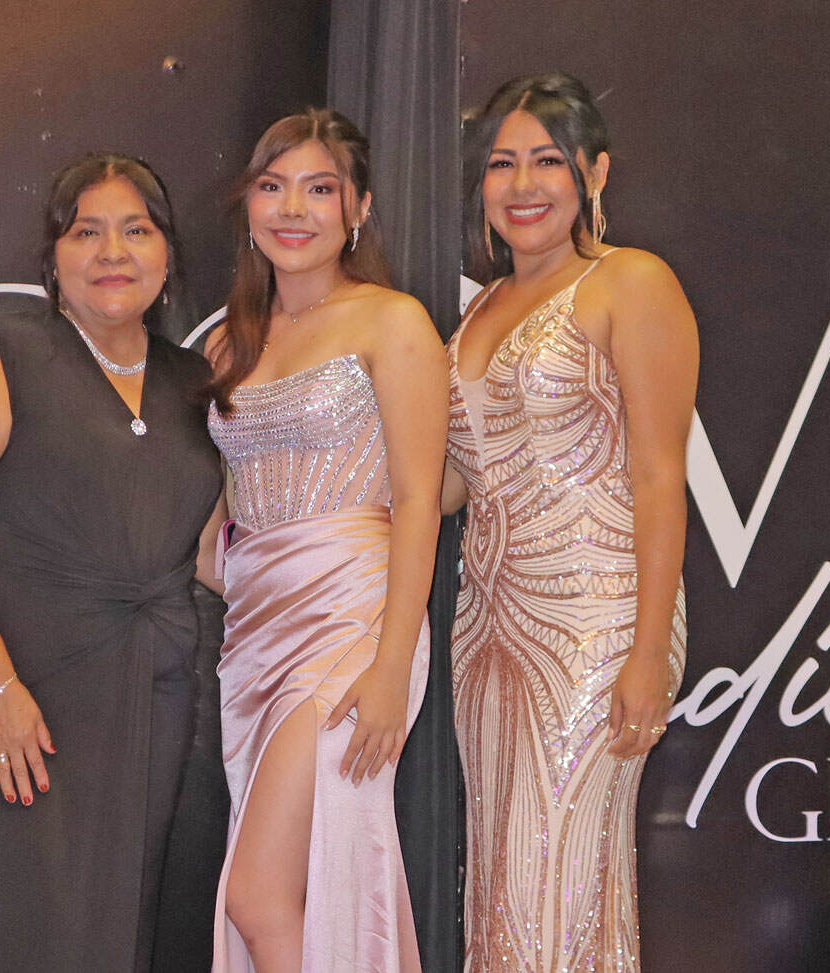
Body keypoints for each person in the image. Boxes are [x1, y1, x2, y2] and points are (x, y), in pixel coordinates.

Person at [0, 153, 225, 971]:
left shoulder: (193, 382)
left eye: (136, 230)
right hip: (31, 703)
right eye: (87, 232)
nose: (113, 252)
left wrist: (331, 598)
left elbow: (208, 552)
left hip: (156, 695)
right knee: (37, 930)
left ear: (167, 253)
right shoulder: (6, 354)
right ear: (53, 257)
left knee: (128, 929)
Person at [443, 74, 697, 971]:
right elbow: (454, 481)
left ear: (594, 171)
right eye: (501, 164)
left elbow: (660, 475)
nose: (522, 185)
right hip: (488, 633)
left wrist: (647, 650)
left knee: (552, 879)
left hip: (598, 624)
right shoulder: (477, 309)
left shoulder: (631, 282)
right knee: (505, 893)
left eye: (547, 161)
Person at [204, 108, 448, 972]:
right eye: (272, 186)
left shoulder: (392, 321)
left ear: (359, 208)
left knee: (257, 895)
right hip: (254, 637)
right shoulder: (231, 340)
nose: (292, 209)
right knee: (286, 890)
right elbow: (235, 490)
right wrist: (225, 561)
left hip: (353, 625)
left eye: (319, 188)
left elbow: (419, 499)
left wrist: (391, 665)